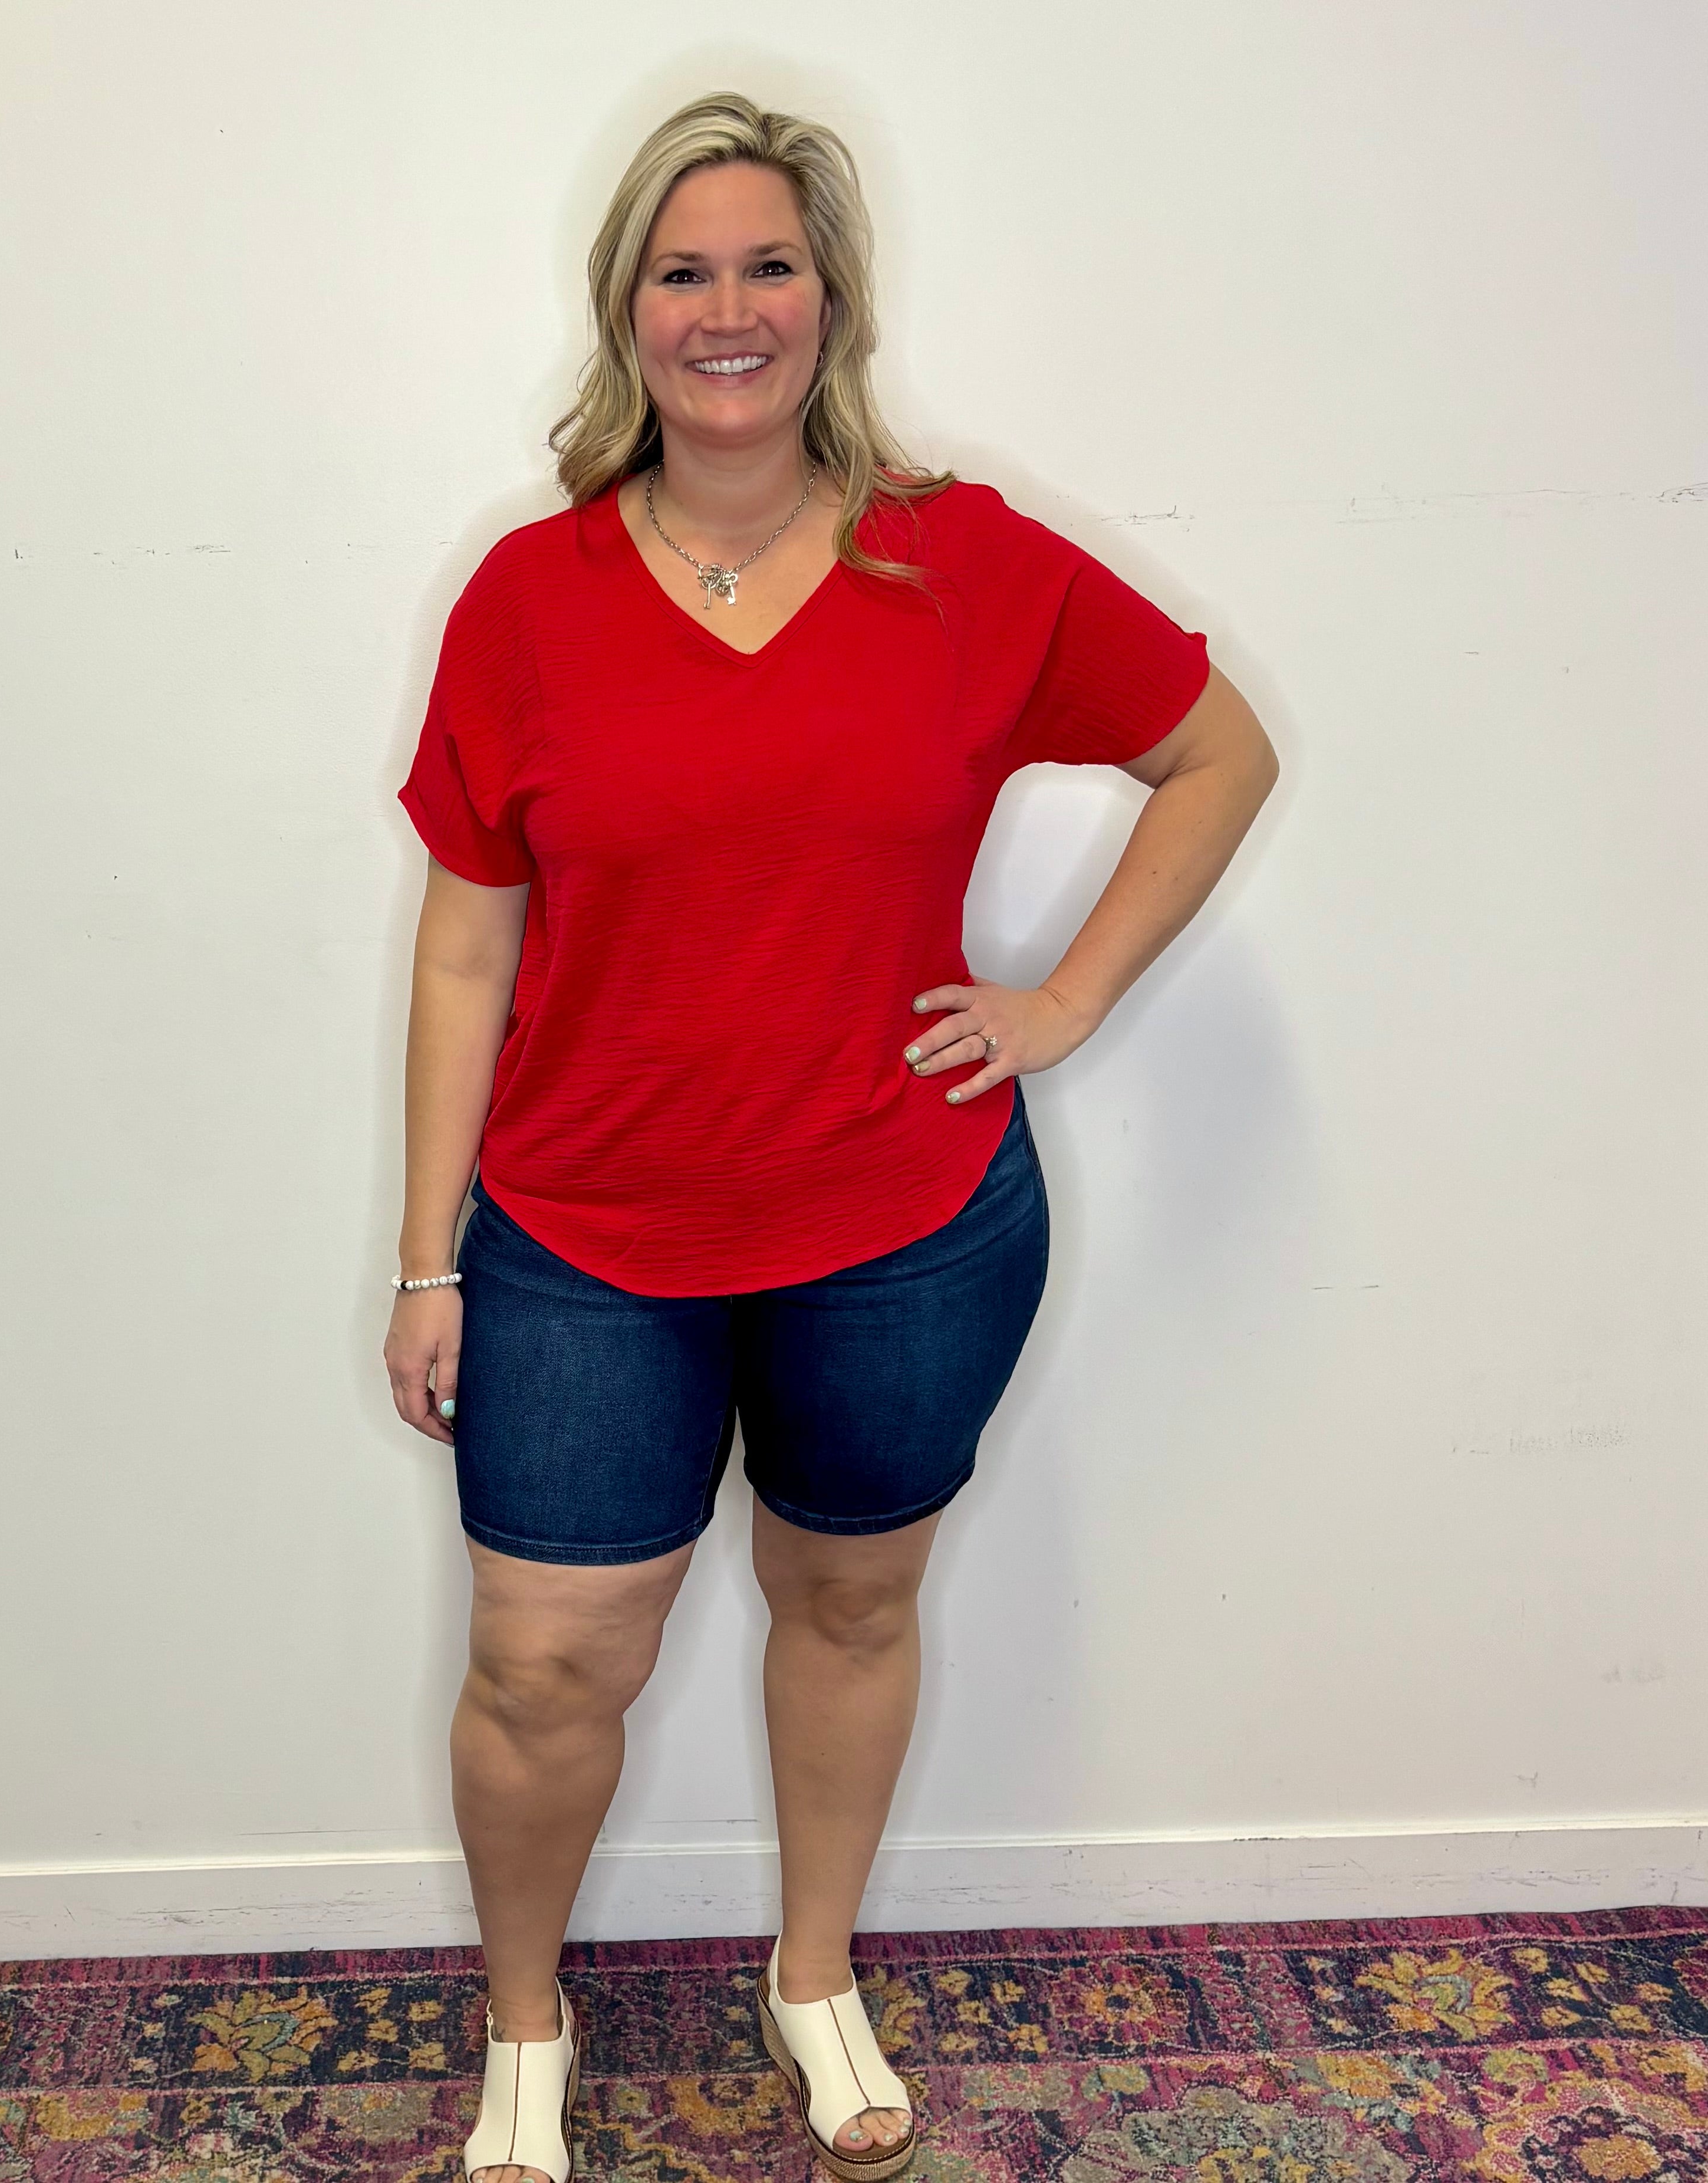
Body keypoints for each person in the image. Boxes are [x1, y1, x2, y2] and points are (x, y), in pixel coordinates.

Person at [382, 92, 1278, 2183]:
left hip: (903, 1219)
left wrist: (1061, 1003)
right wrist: (427, 1258)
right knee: (543, 1660)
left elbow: (1219, 752)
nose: (729, 309)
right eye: (683, 270)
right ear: (627, 310)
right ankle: (525, 2024)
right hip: (585, 1233)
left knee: (854, 1605)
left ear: (831, 300)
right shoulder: (526, 598)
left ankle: (812, 1976)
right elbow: (463, 948)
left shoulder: (962, 562)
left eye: (769, 266)